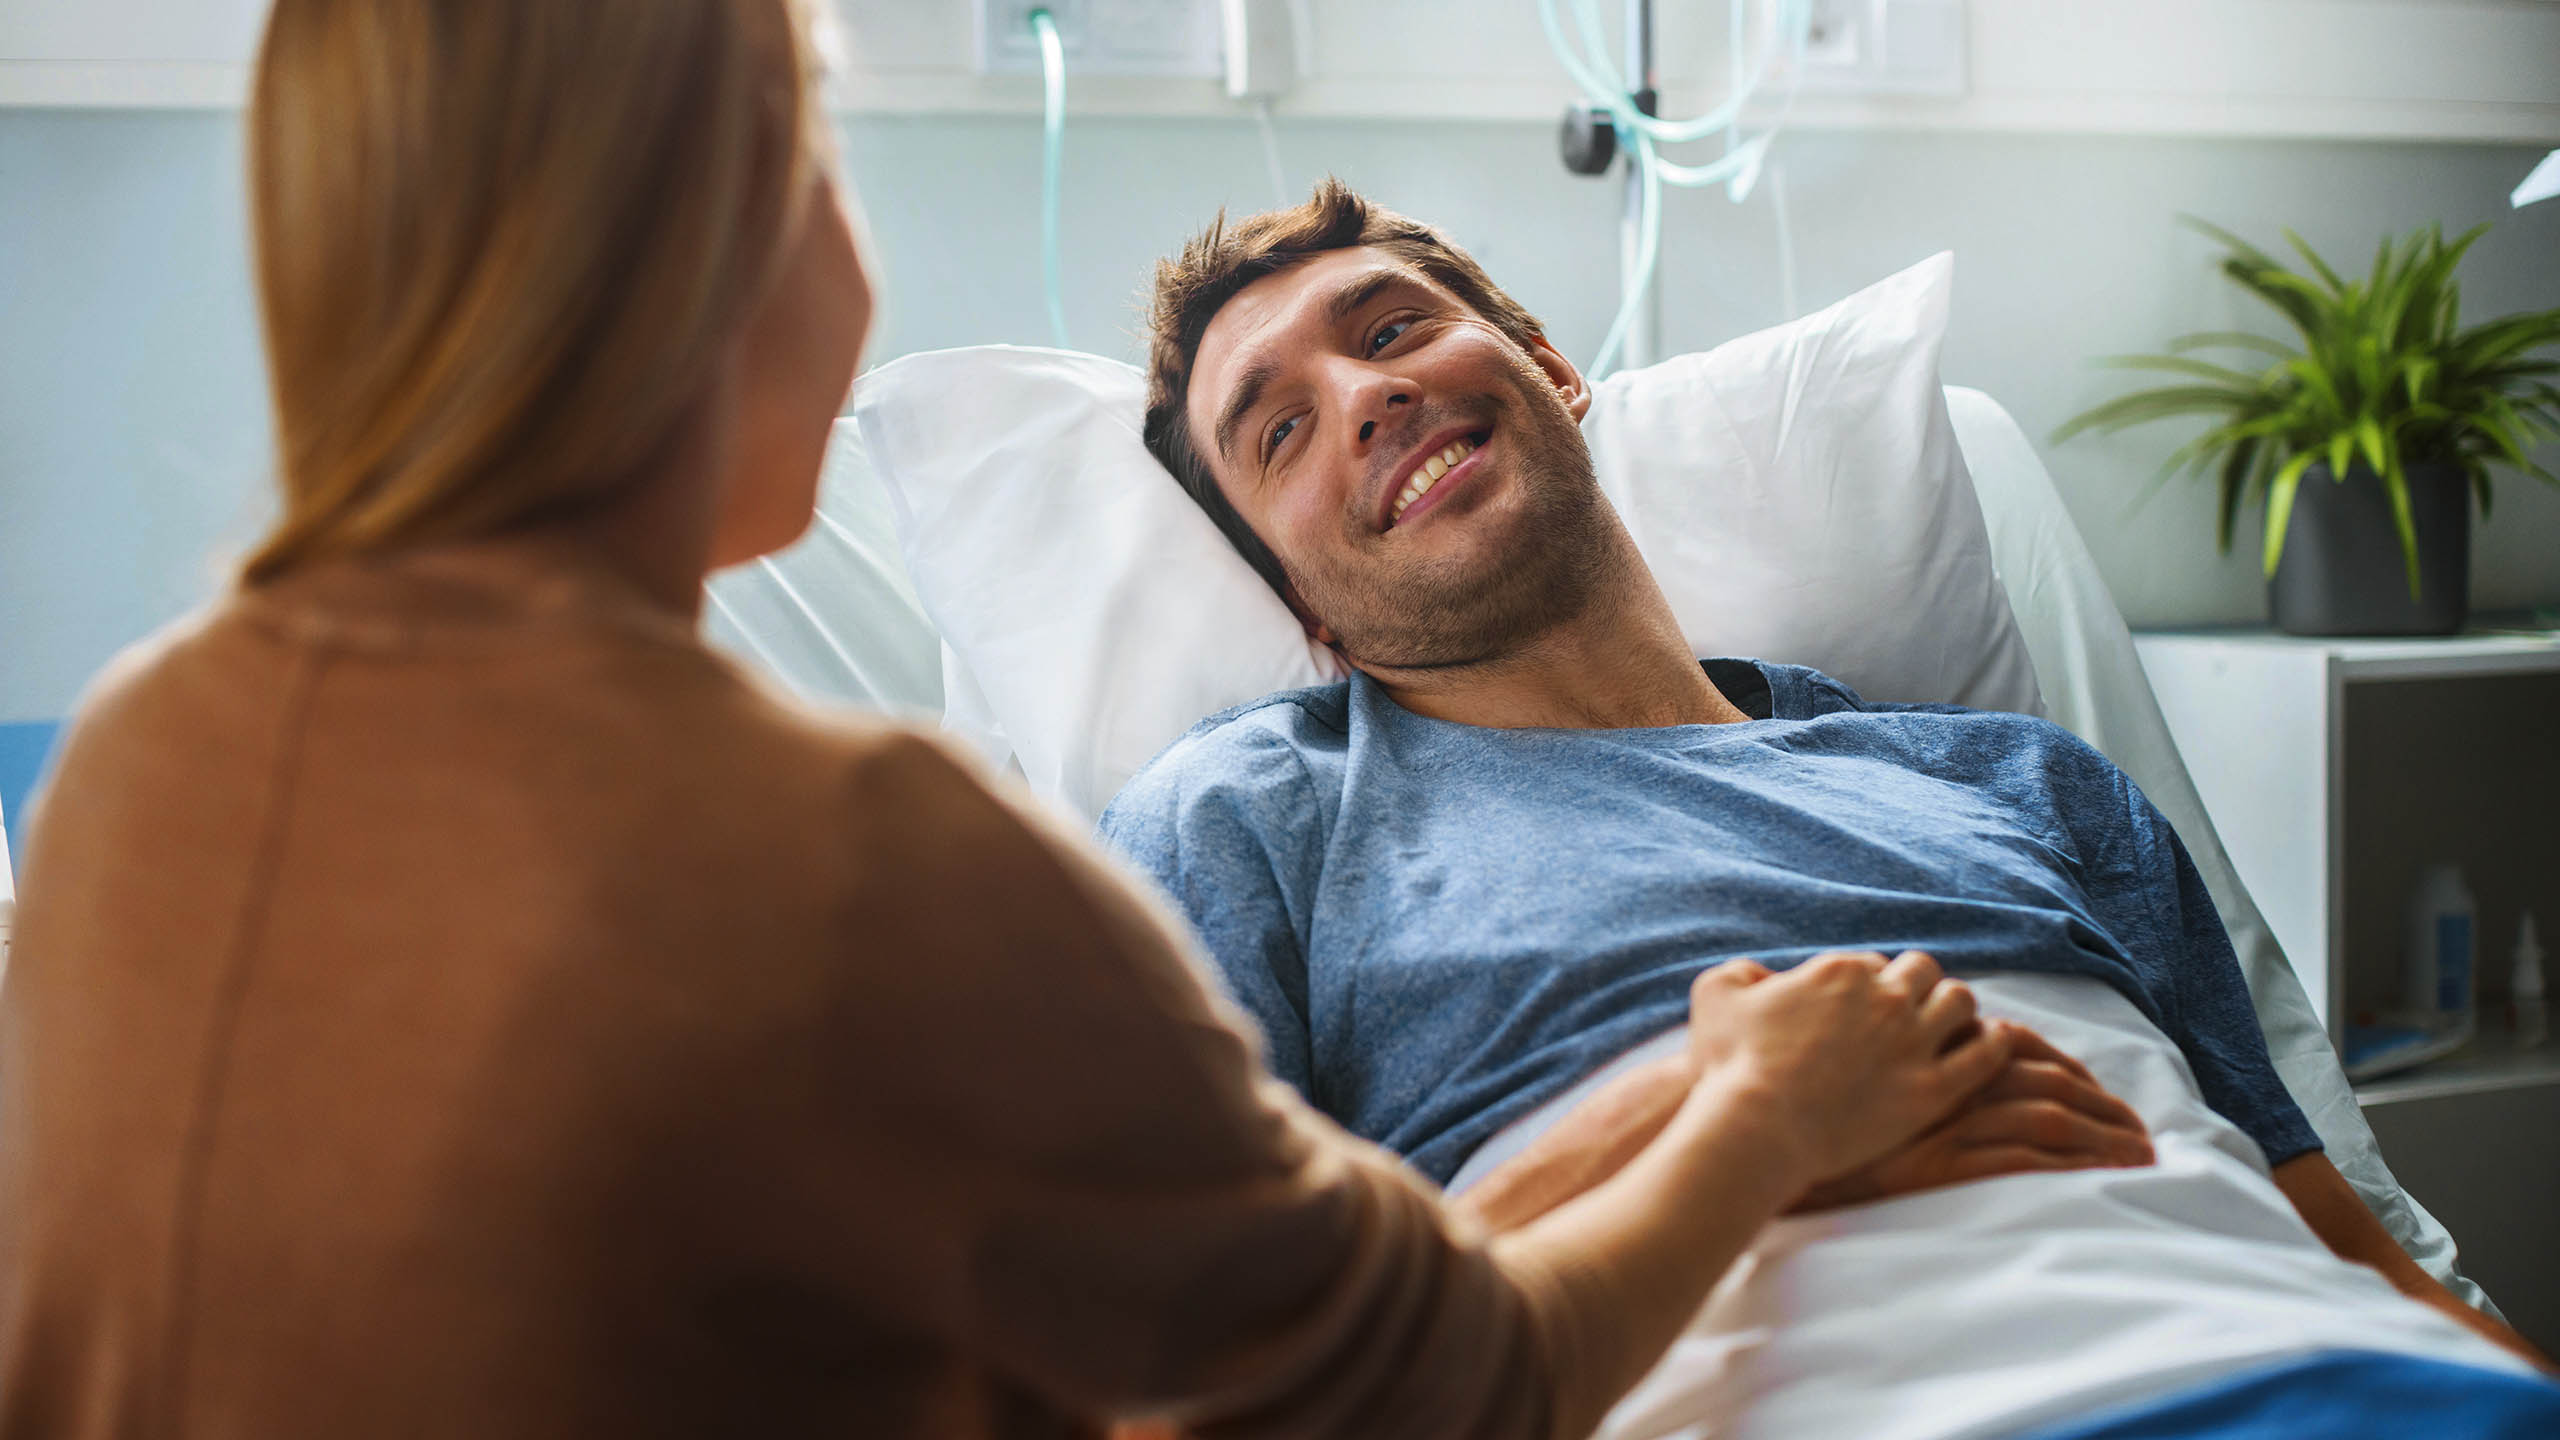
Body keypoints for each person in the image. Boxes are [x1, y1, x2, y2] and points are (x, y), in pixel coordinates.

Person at [0, 6, 2045, 1439]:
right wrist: (1753, 1100)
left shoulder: (135, 755)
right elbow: (1423, 1391)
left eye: (1402, 331)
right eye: (821, 164)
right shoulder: (873, 857)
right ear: (721, 250)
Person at [1101, 179, 2558, 1431]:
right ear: (1302, 606)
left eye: (1393, 328)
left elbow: (2355, 1249)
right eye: (1278, 431)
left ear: (1548, 364)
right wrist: (1742, 1114)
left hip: (2339, 1380)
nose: (1367, 397)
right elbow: (1175, 1402)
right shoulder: (1245, 822)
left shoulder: (2021, 779)